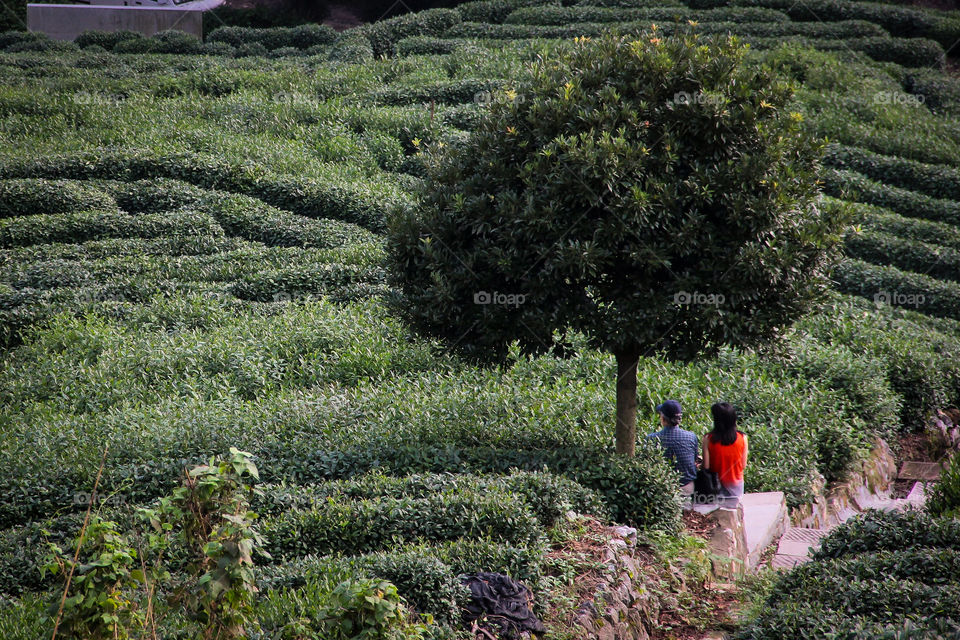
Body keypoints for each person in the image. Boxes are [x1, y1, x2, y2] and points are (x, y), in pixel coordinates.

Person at [647, 400, 698, 499]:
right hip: (689, 488)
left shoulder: (651, 439)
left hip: (663, 490)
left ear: (663, 419)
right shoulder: (691, 436)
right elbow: (694, 460)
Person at [702, 402, 748, 507]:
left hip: (715, 486)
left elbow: (706, 466)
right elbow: (743, 465)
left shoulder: (708, 439)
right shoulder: (742, 438)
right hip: (736, 486)